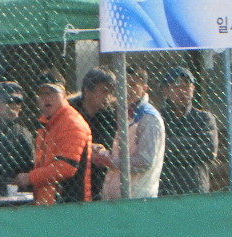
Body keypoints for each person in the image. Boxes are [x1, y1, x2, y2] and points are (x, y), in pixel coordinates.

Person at [14, 71, 92, 205]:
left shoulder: (71, 123)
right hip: (50, 204)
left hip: (70, 205)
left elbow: (66, 167)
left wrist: (30, 178)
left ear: (64, 94)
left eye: (52, 92)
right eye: (42, 93)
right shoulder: (48, 123)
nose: (46, 98)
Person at [94, 66, 165, 200]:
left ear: (144, 88)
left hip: (139, 199)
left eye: (133, 85)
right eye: (123, 85)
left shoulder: (149, 118)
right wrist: (103, 154)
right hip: (118, 197)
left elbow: (145, 161)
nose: (127, 89)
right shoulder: (126, 113)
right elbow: (123, 154)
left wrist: (111, 161)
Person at [159, 66, 218, 196]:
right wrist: (191, 142)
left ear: (193, 89)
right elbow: (155, 150)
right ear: (166, 91)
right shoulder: (158, 118)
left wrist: (170, 147)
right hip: (165, 188)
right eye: (177, 87)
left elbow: (207, 151)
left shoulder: (204, 118)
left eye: (187, 87)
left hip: (196, 187)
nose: (182, 91)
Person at [68, 67, 118, 200]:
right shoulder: (69, 113)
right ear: (87, 91)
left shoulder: (110, 116)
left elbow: (111, 146)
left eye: (111, 92)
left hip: (99, 179)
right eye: (104, 91)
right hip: (73, 179)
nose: (108, 97)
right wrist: (88, 148)